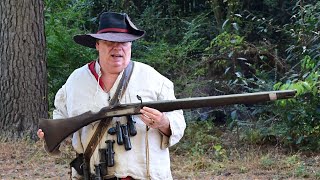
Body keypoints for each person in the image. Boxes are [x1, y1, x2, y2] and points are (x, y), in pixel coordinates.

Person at [37, 12, 186, 180]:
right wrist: (51, 135)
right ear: (97, 45)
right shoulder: (75, 81)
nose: (118, 47)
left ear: (131, 45)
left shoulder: (154, 79)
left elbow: (178, 122)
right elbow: (61, 120)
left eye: (124, 42)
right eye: (110, 42)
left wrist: (163, 123)